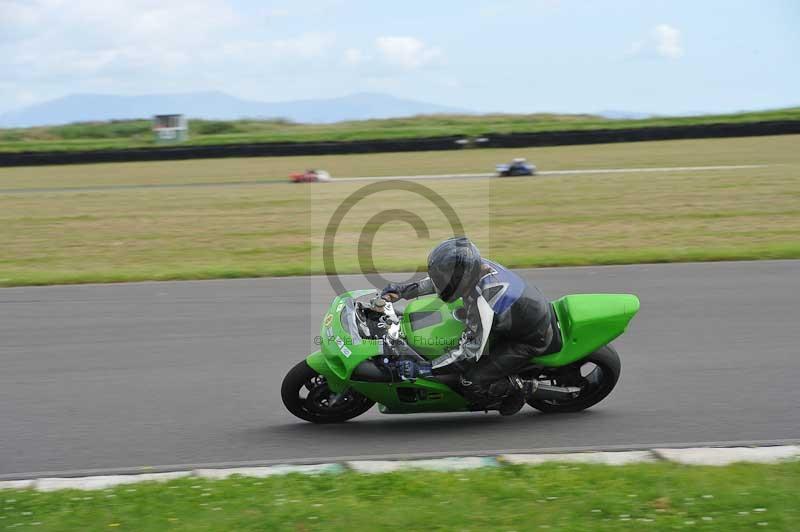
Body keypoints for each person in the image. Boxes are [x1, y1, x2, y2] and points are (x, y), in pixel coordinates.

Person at [381, 236, 559, 415]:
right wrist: (403, 290)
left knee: (471, 382)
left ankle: (520, 389)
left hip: (531, 338)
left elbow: (469, 353)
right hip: (520, 314)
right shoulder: (474, 268)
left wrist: (424, 368)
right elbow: (440, 282)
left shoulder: (483, 303)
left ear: (461, 279)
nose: (441, 282)